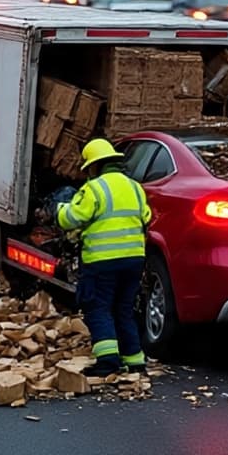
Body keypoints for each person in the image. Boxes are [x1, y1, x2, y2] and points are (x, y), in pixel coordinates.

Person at [54, 138, 151, 376]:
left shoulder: (94, 189)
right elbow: (146, 217)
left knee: (98, 307)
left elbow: (72, 218)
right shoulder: (135, 187)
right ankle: (134, 359)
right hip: (134, 259)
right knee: (124, 308)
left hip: (102, 261)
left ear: (95, 166)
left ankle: (107, 360)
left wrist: (59, 209)